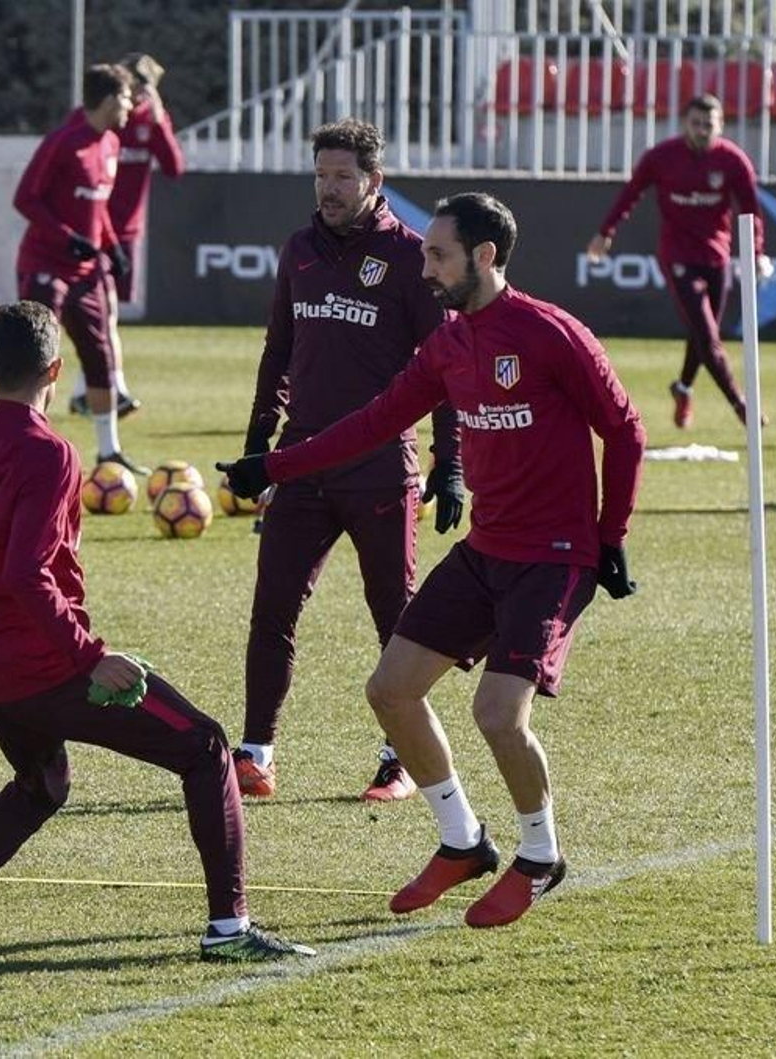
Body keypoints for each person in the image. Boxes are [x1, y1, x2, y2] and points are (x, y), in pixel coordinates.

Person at [220, 193, 646, 928]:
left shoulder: (551, 332)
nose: (425, 269)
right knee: (390, 689)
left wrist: (610, 537)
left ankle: (540, 854)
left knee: (497, 714)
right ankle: (463, 840)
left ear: (484, 256)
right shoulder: (448, 344)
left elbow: (626, 430)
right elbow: (373, 423)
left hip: (552, 558)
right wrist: (274, 466)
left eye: (438, 255)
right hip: (484, 549)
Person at [0, 300, 313, 962]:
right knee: (206, 746)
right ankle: (229, 929)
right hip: (47, 668)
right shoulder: (51, 452)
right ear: (56, 369)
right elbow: (26, 573)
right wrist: (90, 656)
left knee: (42, 785)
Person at [231, 119, 461, 806]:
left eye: (343, 177)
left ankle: (400, 759)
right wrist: (258, 443)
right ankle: (256, 754)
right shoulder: (299, 250)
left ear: (373, 181)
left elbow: (448, 368)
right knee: (272, 608)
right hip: (302, 462)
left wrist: (450, 464)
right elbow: (278, 350)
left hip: (381, 468)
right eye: (321, 176)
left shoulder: (411, 257)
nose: (329, 189)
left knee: (397, 619)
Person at [587, 94, 771, 428]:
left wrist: (757, 252)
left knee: (704, 335)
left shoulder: (733, 161)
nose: (701, 130)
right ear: (685, 123)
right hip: (678, 256)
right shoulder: (661, 157)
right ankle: (740, 404)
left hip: (717, 255)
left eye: (708, 124)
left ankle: (683, 387)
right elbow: (631, 193)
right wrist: (605, 231)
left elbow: (751, 211)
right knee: (707, 335)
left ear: (720, 125)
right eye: (695, 123)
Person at [14, 64, 146, 476]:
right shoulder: (63, 142)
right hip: (45, 266)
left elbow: (97, 206)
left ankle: (109, 451)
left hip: (87, 271)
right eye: (127, 98)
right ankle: (29, 443)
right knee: (38, 358)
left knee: (100, 356)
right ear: (108, 100)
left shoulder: (111, 143)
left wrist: (112, 245)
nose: (131, 106)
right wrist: (66, 237)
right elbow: (25, 199)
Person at [66, 52, 184, 419]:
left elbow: (174, 168)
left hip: (124, 233)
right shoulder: (95, 119)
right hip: (89, 230)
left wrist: (160, 118)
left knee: (106, 314)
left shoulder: (150, 120)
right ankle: (109, 389)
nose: (139, 94)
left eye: (147, 87)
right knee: (102, 312)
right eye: (136, 85)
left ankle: (87, 391)